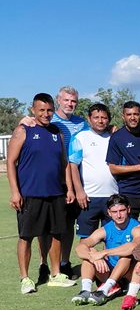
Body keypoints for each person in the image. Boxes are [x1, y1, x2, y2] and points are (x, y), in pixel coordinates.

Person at [8, 93, 76, 293]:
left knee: (56, 234)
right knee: (26, 236)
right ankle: (25, 278)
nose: (46, 114)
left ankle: (55, 274)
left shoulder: (57, 132)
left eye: (49, 110)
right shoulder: (23, 130)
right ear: (33, 110)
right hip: (30, 194)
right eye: (42, 110)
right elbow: (10, 162)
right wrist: (15, 192)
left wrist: (69, 188)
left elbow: (64, 163)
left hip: (55, 193)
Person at [20, 86, 88, 277]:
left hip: (72, 178)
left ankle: (64, 262)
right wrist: (23, 119)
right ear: (58, 100)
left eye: (73, 101)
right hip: (50, 180)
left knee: (66, 224)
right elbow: (26, 129)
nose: (70, 104)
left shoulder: (82, 123)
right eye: (66, 100)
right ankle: (44, 263)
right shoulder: (47, 119)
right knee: (45, 226)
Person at [72, 195, 140, 306]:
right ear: (109, 212)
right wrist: (93, 257)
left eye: (122, 210)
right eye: (115, 212)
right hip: (108, 272)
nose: (119, 215)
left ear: (128, 209)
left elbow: (134, 247)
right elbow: (80, 247)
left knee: (125, 256)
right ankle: (85, 291)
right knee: (89, 253)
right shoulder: (105, 229)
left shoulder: (138, 228)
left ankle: (105, 289)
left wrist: (104, 253)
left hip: (130, 274)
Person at [68, 103, 119, 248]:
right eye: (96, 117)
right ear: (89, 119)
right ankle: (89, 264)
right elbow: (73, 166)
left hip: (113, 196)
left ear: (109, 119)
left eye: (104, 117)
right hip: (89, 197)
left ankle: (109, 263)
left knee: (113, 239)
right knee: (86, 240)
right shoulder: (79, 137)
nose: (100, 121)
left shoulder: (115, 137)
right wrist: (79, 191)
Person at [106, 101, 140, 222]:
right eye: (129, 114)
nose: (132, 117)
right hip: (128, 191)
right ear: (123, 116)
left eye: (136, 114)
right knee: (130, 228)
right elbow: (113, 168)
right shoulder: (117, 137)